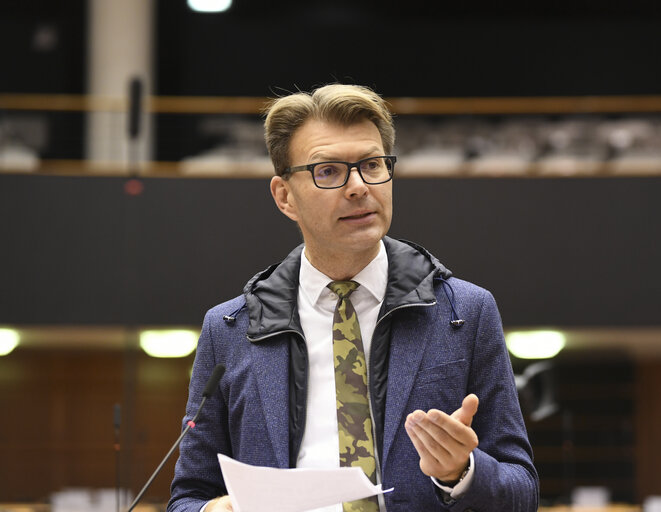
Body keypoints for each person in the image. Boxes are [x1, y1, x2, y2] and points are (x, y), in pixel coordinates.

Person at [168, 84, 538, 512]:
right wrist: (216, 511)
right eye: (328, 171)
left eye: (372, 164)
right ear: (285, 196)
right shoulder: (229, 328)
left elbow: (522, 491)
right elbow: (188, 497)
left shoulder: (463, 312)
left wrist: (462, 472)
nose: (360, 186)